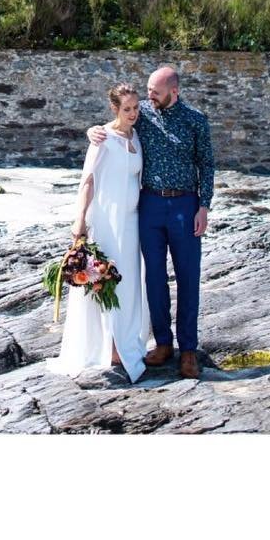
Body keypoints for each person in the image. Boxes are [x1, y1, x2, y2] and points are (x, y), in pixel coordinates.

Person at [88, 64, 214, 380]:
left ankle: (188, 351)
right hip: (149, 204)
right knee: (153, 278)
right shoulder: (142, 113)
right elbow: (117, 122)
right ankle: (163, 344)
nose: (148, 97)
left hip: (186, 205)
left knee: (188, 279)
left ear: (174, 91)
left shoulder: (196, 121)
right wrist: (92, 131)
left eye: (154, 92)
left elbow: (207, 165)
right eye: (147, 91)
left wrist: (204, 206)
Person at [49, 84, 151, 382]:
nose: (133, 114)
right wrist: (79, 220)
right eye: (127, 109)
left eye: (136, 108)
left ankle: (127, 341)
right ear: (115, 109)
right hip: (107, 220)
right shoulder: (102, 138)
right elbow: (88, 181)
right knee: (106, 281)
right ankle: (108, 345)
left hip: (132, 222)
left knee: (131, 281)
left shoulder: (137, 136)